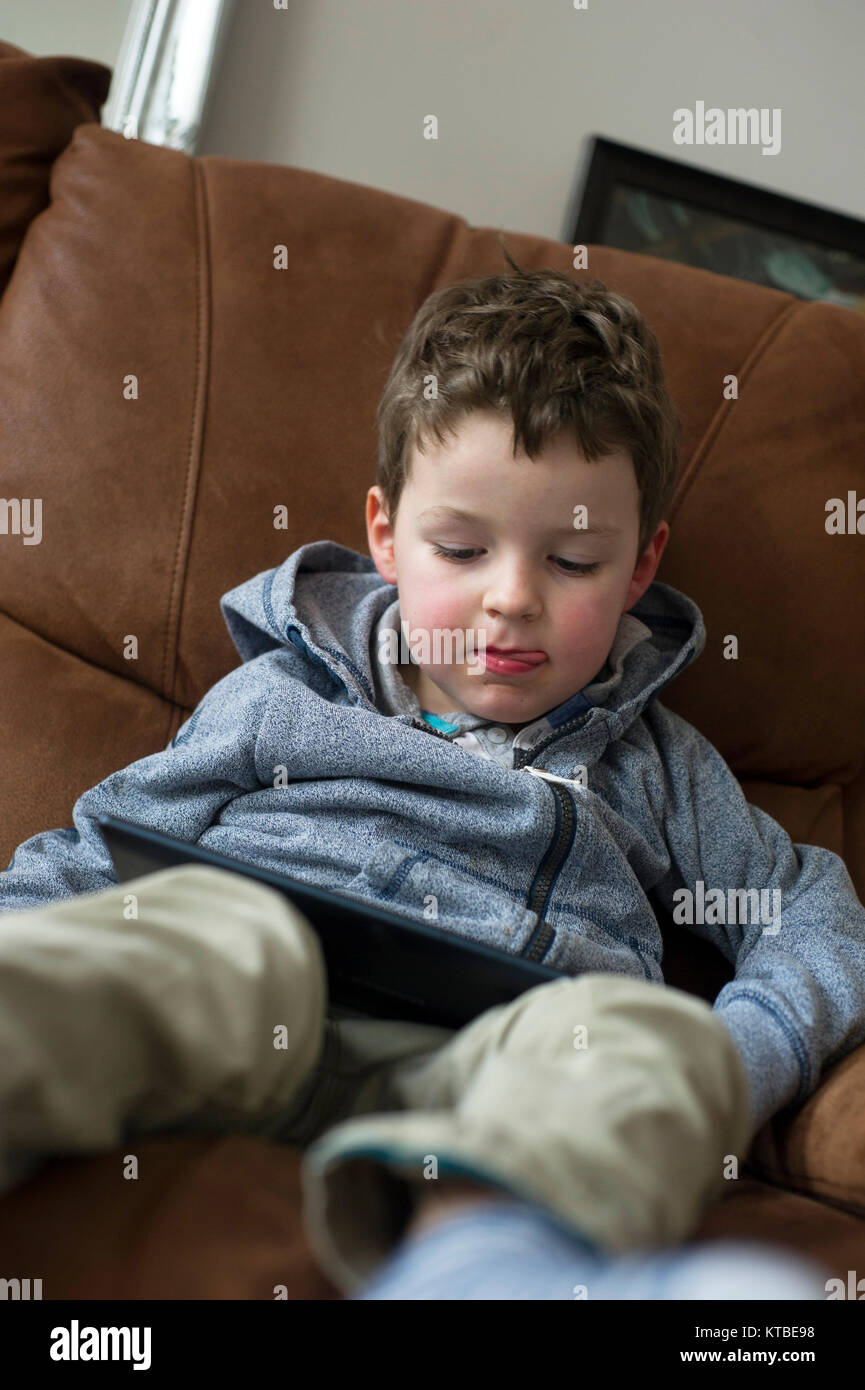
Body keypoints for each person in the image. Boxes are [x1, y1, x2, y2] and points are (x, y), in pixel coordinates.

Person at [0, 262, 857, 1300]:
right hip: (250, 991)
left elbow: (810, 907)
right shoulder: (280, 694)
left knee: (635, 1034)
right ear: (385, 535)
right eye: (459, 547)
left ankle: (485, 1263)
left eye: (574, 562)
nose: (510, 602)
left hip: (492, 1064)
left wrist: (738, 1048)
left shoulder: (657, 764)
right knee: (191, 934)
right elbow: (103, 847)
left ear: (640, 567)